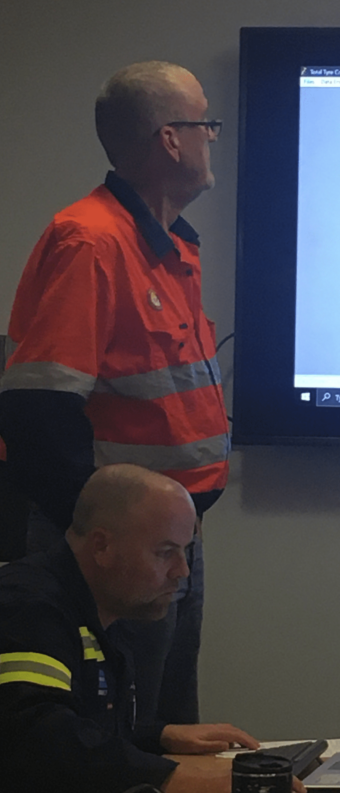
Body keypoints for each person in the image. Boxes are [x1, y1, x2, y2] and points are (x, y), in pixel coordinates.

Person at [0, 61, 229, 727]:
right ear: (169, 139)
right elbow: (37, 410)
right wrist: (105, 541)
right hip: (118, 551)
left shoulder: (167, 248)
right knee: (114, 747)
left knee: (166, 728)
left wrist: (166, 541)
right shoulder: (90, 241)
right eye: (205, 123)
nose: (211, 136)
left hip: (167, 540)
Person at [0, 465, 304, 793]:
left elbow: (82, 724)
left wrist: (157, 735)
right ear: (102, 546)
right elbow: (39, 739)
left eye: (185, 552)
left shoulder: (104, 608)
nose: (182, 571)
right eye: (165, 553)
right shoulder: (27, 606)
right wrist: (177, 779)